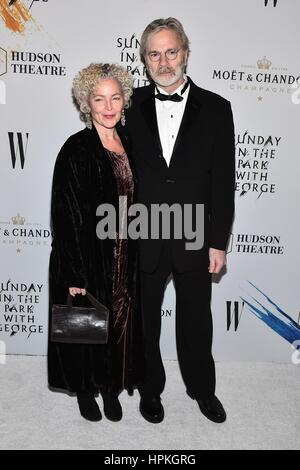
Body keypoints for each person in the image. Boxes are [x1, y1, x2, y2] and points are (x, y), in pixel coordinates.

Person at [125, 18, 235, 424]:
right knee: (145, 321)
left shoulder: (217, 108)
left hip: (194, 234)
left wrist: (218, 241)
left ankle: (203, 390)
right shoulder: (128, 104)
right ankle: (149, 390)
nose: (164, 61)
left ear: (186, 53)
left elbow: (224, 182)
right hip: (143, 232)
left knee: (195, 320)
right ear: (144, 60)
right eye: (155, 54)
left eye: (171, 51)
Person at [48, 63, 144, 422]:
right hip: (88, 257)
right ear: (86, 102)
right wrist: (74, 272)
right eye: (99, 98)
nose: (108, 106)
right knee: (84, 328)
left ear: (124, 101)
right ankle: (86, 390)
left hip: (125, 253)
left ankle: (110, 387)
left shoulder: (131, 143)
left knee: (118, 325)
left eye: (115, 97)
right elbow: (65, 213)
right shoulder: (76, 149)